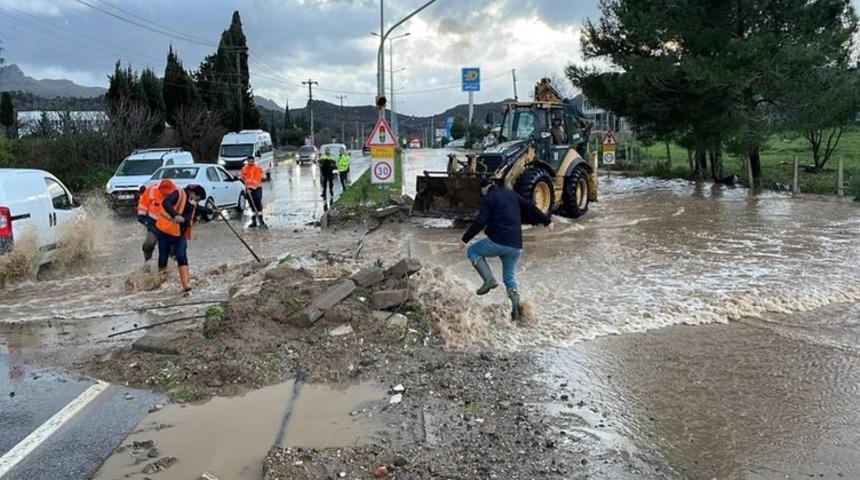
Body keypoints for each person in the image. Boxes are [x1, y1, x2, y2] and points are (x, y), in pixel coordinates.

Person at [460, 178, 554, 322]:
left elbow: (481, 221)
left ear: (484, 189)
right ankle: (516, 313)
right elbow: (530, 206)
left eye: (481, 192)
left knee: (473, 251)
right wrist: (546, 220)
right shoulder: (511, 194)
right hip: (516, 246)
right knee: (509, 278)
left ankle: (489, 280)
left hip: (497, 242)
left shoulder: (488, 198)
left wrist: (464, 239)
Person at [152, 182, 218, 294]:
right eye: (197, 199)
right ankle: (162, 283)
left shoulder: (192, 202)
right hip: (165, 230)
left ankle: (186, 285)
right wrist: (175, 215)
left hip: (180, 233)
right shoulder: (179, 193)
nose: (197, 201)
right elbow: (165, 203)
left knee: (181, 256)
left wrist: (212, 211)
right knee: (163, 257)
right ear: (193, 193)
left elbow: (198, 209)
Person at [241, 156, 267, 228]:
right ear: (247, 161)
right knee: (252, 206)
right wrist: (247, 188)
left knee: (258, 205)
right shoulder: (244, 169)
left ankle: (261, 221)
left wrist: (251, 188)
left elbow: (260, 178)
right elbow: (243, 178)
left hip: (257, 189)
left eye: (252, 161)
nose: (251, 162)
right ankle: (254, 221)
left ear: (254, 161)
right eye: (249, 161)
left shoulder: (257, 168)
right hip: (248, 190)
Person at [136, 185, 158, 262]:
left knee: (171, 249)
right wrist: (144, 221)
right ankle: (147, 264)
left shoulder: (175, 193)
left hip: (170, 226)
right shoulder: (149, 194)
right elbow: (141, 215)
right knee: (148, 245)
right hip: (153, 224)